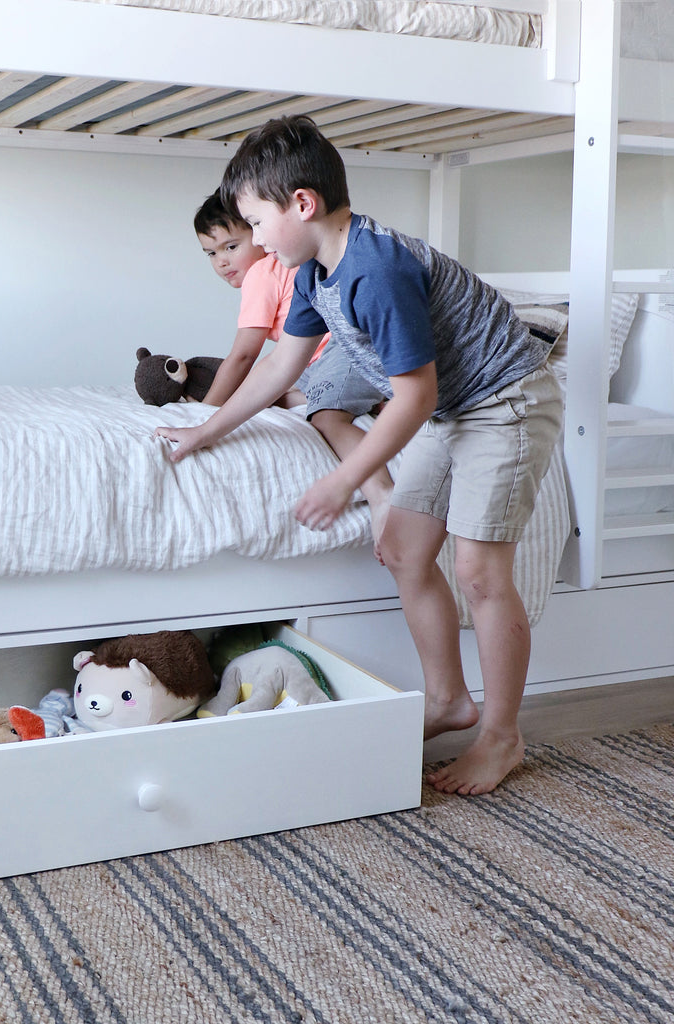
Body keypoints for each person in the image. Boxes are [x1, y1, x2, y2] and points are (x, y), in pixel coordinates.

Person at [157, 115, 563, 796]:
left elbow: (411, 394)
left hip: (505, 400)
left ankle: (501, 736)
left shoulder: (375, 269)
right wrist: (206, 429)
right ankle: (446, 702)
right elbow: (281, 368)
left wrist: (345, 480)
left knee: (480, 572)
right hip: (450, 406)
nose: (253, 241)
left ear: (302, 204)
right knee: (403, 547)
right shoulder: (316, 271)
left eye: (256, 223)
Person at [194, 189, 395, 557]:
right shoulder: (289, 270)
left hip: (344, 350)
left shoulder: (262, 274)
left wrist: (204, 414)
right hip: (319, 358)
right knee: (276, 398)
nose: (221, 261)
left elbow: (243, 355)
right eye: (211, 252)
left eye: (231, 246)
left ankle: (382, 495)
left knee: (326, 417)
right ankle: (378, 394)